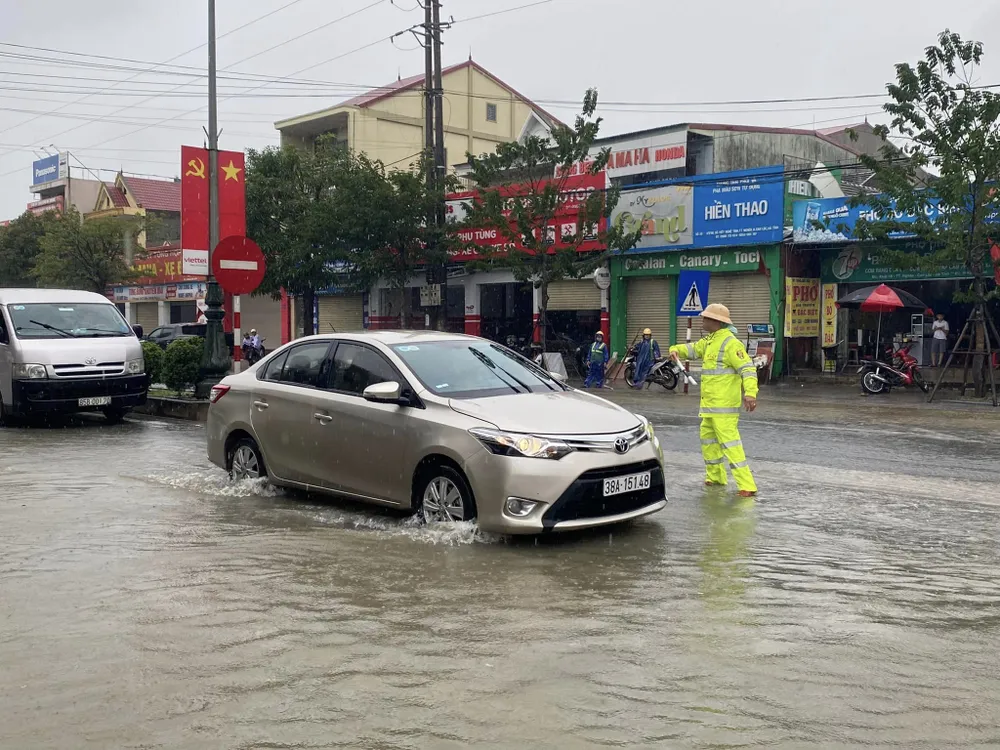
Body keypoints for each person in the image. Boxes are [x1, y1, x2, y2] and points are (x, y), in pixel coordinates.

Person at [669, 303, 759, 497]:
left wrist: (750, 393)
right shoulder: (709, 341)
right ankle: (716, 477)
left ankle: (747, 486)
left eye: (705, 318)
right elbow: (691, 349)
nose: (702, 320)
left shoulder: (731, 343)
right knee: (709, 442)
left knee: (731, 445)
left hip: (724, 407)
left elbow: (748, 368)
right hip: (709, 406)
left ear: (716, 321)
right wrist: (675, 349)